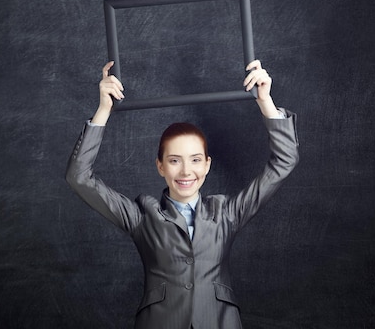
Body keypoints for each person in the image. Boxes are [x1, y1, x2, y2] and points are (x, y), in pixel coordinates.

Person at [65, 60, 299, 329]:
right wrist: (103, 109)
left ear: (207, 165)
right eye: (175, 161)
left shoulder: (226, 213)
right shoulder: (142, 216)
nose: (186, 171)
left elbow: (285, 160)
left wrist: (265, 101)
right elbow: (79, 177)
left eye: (196, 160)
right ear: (160, 166)